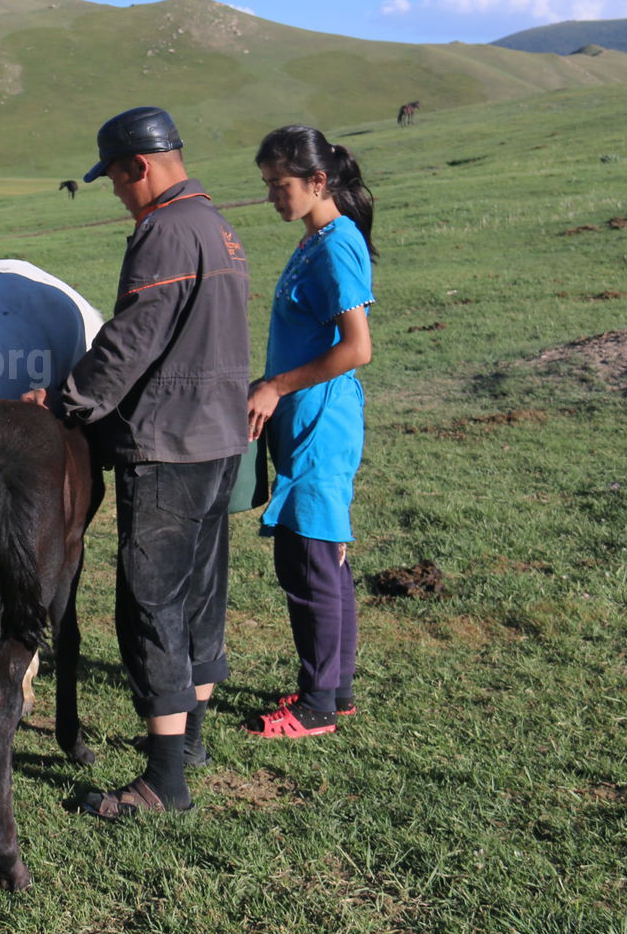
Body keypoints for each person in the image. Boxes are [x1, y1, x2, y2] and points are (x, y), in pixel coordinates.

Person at [24, 106, 250, 816]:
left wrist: (63, 404)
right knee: (200, 591)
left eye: (117, 180)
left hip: (169, 444)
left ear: (139, 166)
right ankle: (191, 743)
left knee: (150, 602)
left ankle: (163, 784)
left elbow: (131, 341)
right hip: (220, 438)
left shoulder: (165, 231)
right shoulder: (218, 226)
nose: (117, 194)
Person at [244, 125, 376, 739]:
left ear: (318, 182)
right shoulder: (315, 239)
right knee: (322, 561)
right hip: (306, 422)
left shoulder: (335, 246)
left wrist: (275, 385)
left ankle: (317, 705)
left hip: (321, 424)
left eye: (282, 184)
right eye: (269, 184)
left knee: (312, 563)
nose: (274, 195)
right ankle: (335, 690)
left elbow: (357, 348)